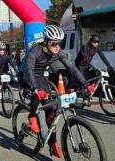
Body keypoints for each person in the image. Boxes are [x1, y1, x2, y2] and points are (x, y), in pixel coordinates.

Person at [19, 25, 94, 158]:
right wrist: (36, 89)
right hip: (26, 75)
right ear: (46, 41)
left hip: (40, 75)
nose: (57, 46)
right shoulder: (35, 50)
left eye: (60, 43)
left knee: (52, 110)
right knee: (38, 92)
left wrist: (86, 84)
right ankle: (32, 117)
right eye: (53, 43)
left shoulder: (57, 51)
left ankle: (52, 143)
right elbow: (30, 70)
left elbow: (72, 68)